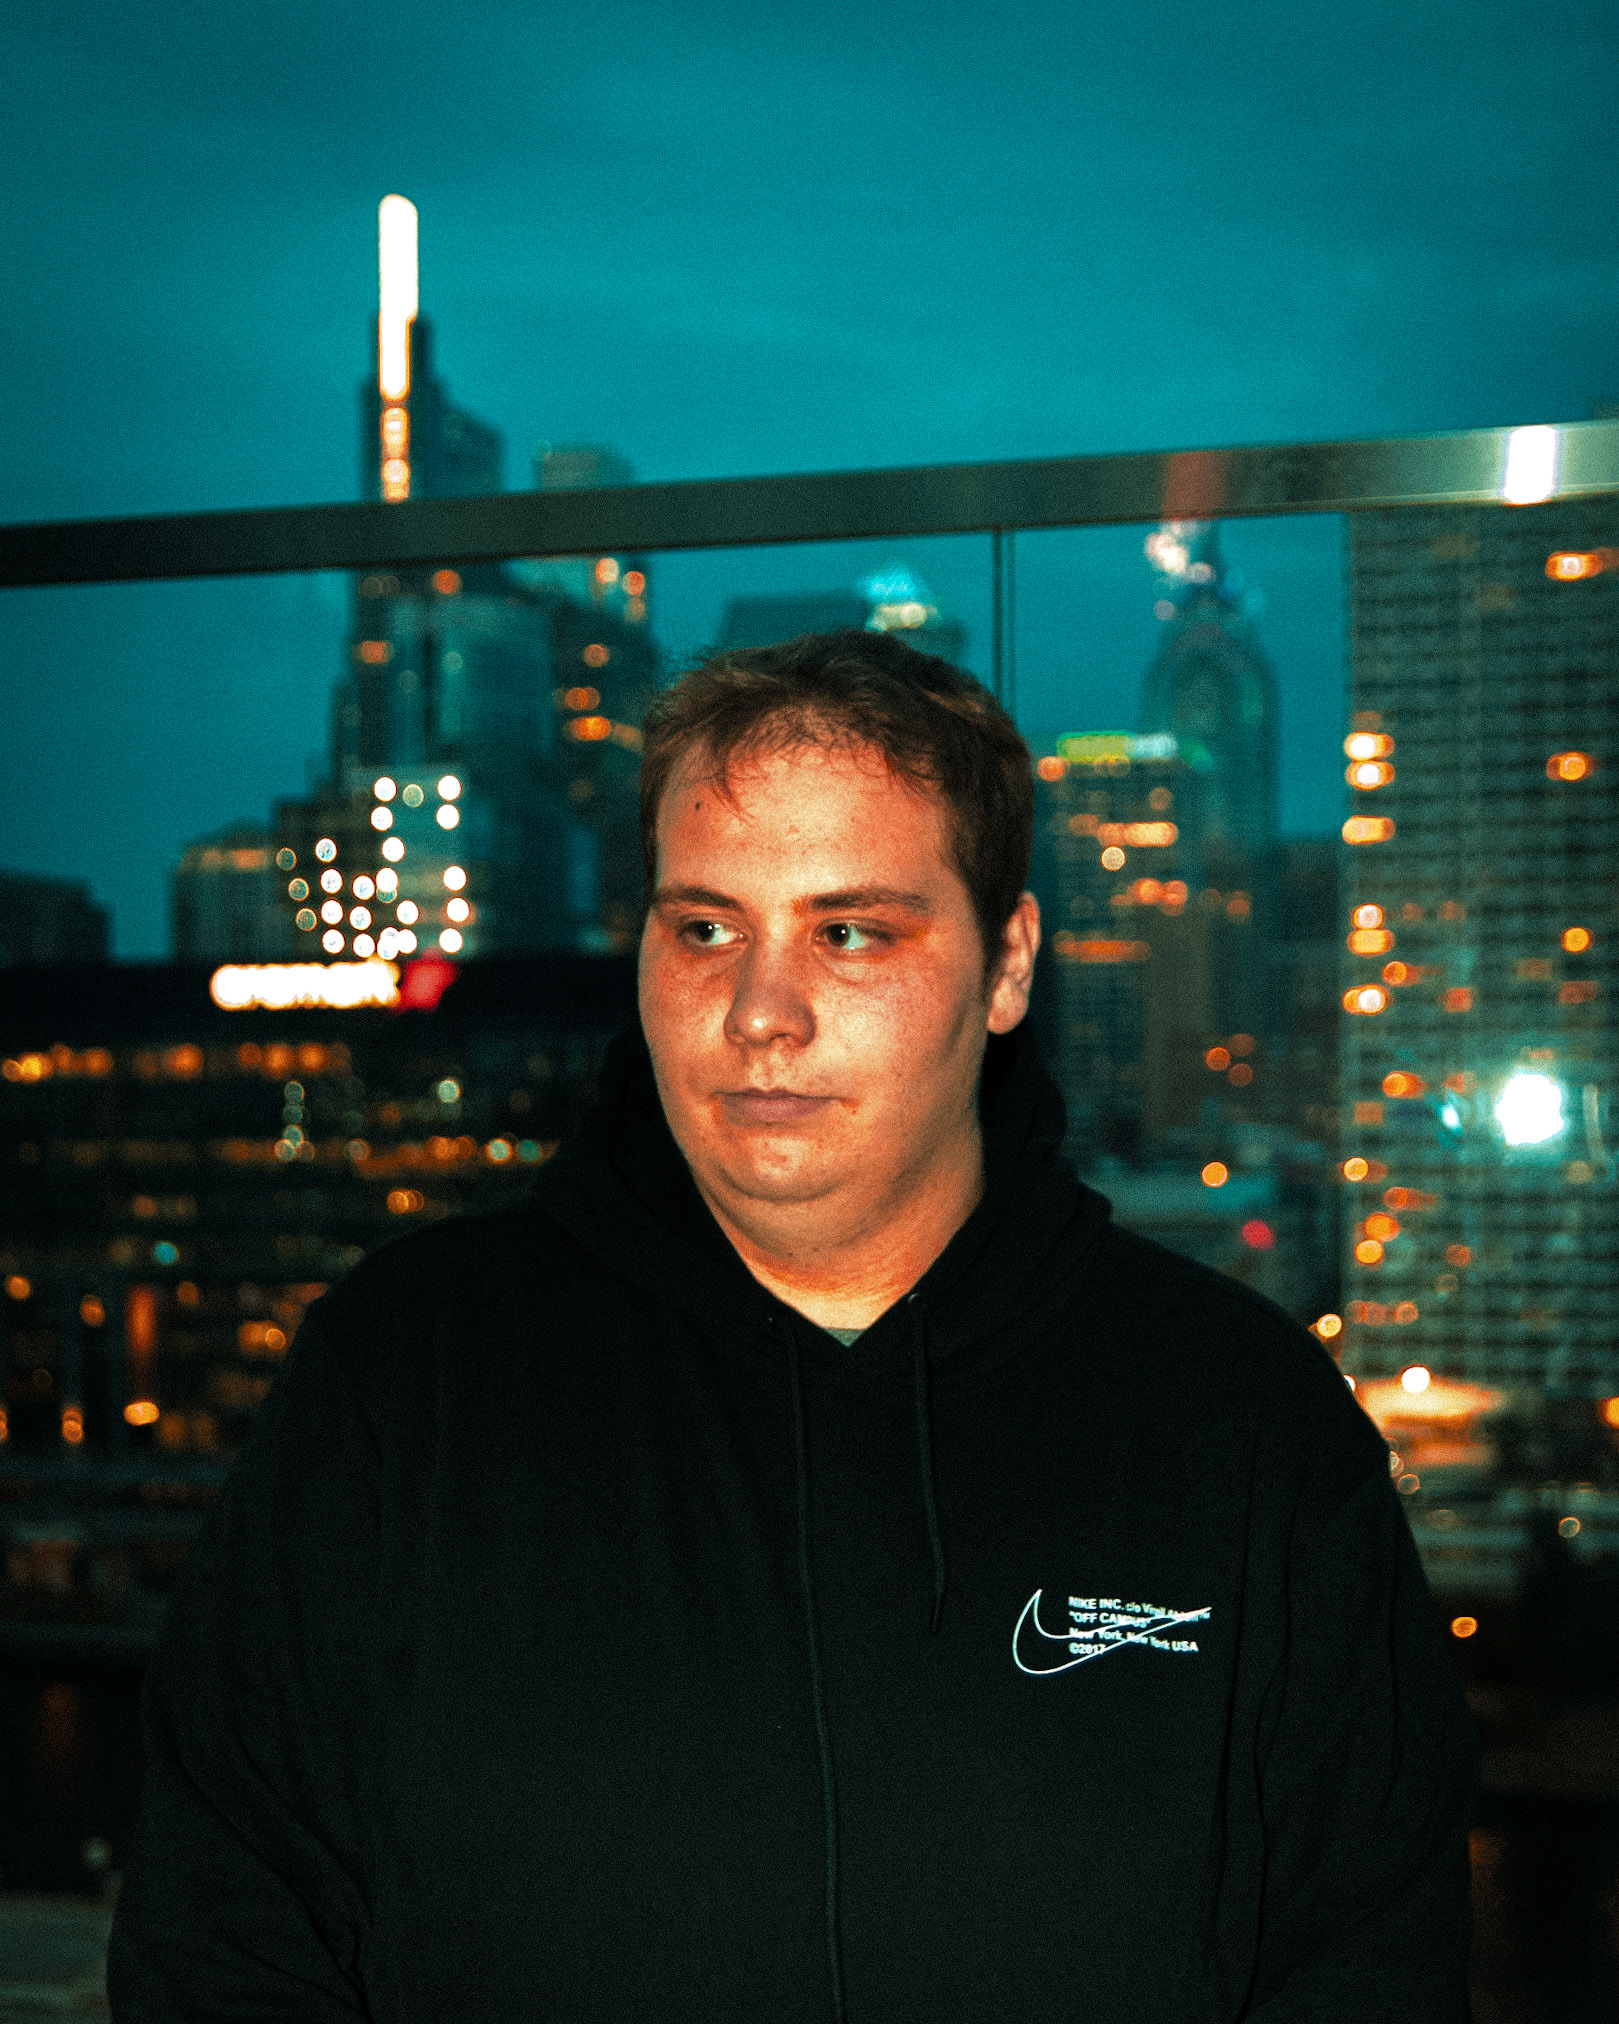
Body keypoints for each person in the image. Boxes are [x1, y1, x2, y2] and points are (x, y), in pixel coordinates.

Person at [109, 629, 1477, 2022]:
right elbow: (220, 1934)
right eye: (706, 929)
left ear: (1008, 966)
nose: (761, 1013)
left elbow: (1372, 1962)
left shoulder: (1240, 1420)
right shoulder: (406, 1376)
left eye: (849, 932)